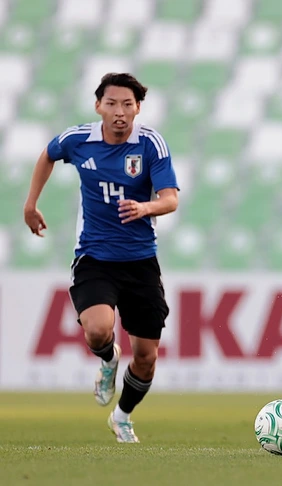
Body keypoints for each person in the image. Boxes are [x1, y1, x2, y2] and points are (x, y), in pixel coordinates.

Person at [23, 73, 179, 443]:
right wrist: (31, 204)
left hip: (140, 260)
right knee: (97, 330)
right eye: (111, 104)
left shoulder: (151, 144)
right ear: (98, 106)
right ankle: (109, 360)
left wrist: (145, 207)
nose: (119, 112)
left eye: (127, 104)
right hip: (94, 256)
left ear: (138, 108)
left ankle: (122, 417)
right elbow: (47, 154)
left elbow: (171, 199)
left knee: (146, 358)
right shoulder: (78, 140)